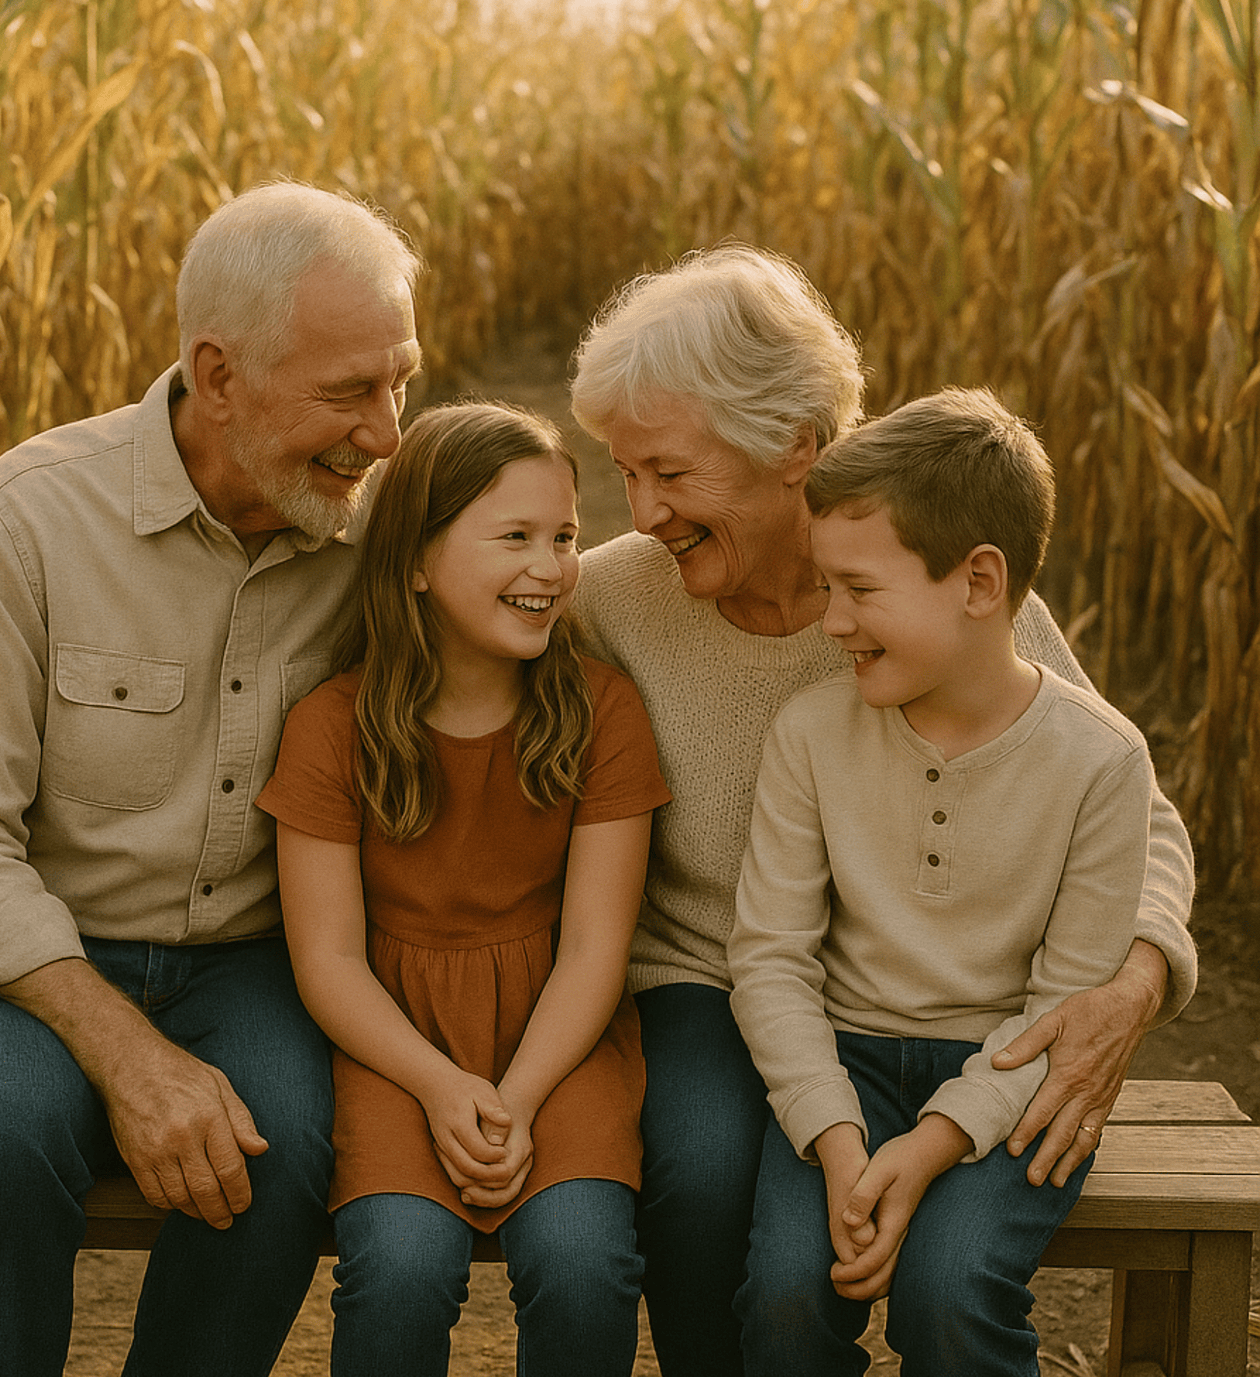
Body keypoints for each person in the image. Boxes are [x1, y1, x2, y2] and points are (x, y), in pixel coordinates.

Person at [566, 245, 1197, 1376]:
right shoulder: (611, 594)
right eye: (624, 472)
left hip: (916, 998)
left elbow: (1127, 807)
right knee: (702, 1158)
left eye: (668, 470)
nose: (643, 509)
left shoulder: (935, 589)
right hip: (708, 972)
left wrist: (1132, 978)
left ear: (793, 448)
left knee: (934, 1277)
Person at [0, 180, 423, 1376]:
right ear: (217, 376)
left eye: (399, 383)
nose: (383, 433)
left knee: (280, 1138)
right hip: (30, 965)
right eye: (346, 392)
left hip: (257, 961)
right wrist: (131, 1055)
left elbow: (544, 592)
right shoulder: (29, 518)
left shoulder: (381, 533)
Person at [727, 387, 1158, 1373]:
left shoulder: (1100, 760)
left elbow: (1063, 1002)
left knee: (949, 1288)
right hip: (840, 1066)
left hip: (1013, 1073)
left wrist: (928, 1146)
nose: (829, 619)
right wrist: (839, 1139)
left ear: (976, 581)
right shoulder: (811, 733)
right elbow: (769, 958)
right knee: (787, 1289)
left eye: (858, 588)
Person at [256, 402, 668, 1377]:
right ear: (412, 560)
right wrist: (440, 1084)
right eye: (513, 537)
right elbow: (327, 957)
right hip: (392, 1039)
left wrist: (517, 1096)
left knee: (581, 1263)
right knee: (398, 1268)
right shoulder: (332, 724)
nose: (550, 566)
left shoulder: (601, 710)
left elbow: (594, 948)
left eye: (564, 536)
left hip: (558, 1037)